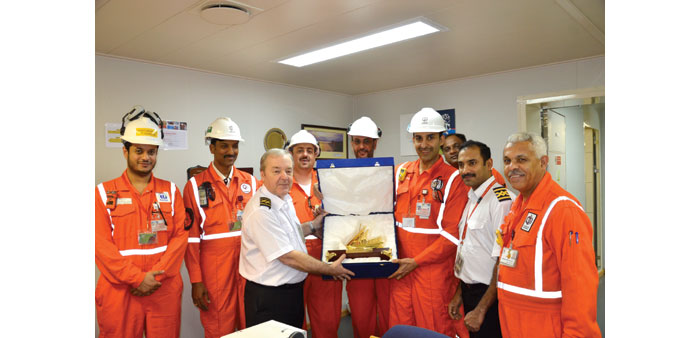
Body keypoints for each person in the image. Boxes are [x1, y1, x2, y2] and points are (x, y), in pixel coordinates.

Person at [95, 106, 188, 337]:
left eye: (152, 151)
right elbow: (101, 246)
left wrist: (155, 277)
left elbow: (180, 238)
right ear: (125, 151)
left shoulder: (172, 191)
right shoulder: (103, 193)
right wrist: (137, 279)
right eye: (139, 150)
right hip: (120, 290)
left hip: (162, 287)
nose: (146, 157)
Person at [497, 132, 601, 337]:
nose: (512, 167)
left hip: (543, 327)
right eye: (507, 161)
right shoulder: (519, 206)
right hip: (514, 323)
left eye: (522, 160)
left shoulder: (562, 210)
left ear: (543, 162)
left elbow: (580, 287)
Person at [239, 149, 354, 328]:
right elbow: (287, 256)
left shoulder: (283, 198)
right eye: (277, 171)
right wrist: (329, 269)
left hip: (290, 295)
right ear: (262, 174)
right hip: (270, 298)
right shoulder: (261, 211)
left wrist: (313, 226)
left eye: (289, 171)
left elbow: (288, 233)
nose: (284, 176)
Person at [389, 107, 468, 337]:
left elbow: (453, 235)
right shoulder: (401, 172)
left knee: (432, 329)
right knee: (400, 327)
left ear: (442, 139)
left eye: (430, 138)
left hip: (433, 274)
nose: (423, 144)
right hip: (401, 269)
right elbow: (378, 210)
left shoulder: (454, 179)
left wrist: (417, 261)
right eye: (418, 138)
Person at [183, 117, 258, 337]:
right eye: (224, 145)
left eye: (234, 146)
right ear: (212, 147)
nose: (231, 151)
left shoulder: (251, 182)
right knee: (218, 326)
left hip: (248, 265)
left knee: (250, 323)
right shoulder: (195, 186)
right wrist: (196, 281)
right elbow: (191, 238)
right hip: (214, 269)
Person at [448, 140, 514, 338]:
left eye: (472, 163)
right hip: (470, 292)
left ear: (489, 164)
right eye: (461, 165)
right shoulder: (472, 198)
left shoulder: (501, 201)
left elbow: (502, 261)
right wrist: (459, 295)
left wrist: (481, 309)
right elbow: (470, 250)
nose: (465, 170)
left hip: (490, 298)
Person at [286, 130, 344, 338]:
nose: (304, 155)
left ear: (316, 154)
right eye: (299, 150)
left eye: (309, 151)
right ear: (291, 153)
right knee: (292, 322)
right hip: (293, 258)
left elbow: (343, 218)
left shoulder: (329, 182)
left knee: (327, 320)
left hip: (325, 256)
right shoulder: (282, 183)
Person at [345, 116, 390, 338]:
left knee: (389, 317)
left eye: (366, 141)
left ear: (375, 143)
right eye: (357, 141)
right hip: (356, 257)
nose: (361, 146)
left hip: (384, 255)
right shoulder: (339, 176)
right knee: (361, 318)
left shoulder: (391, 174)